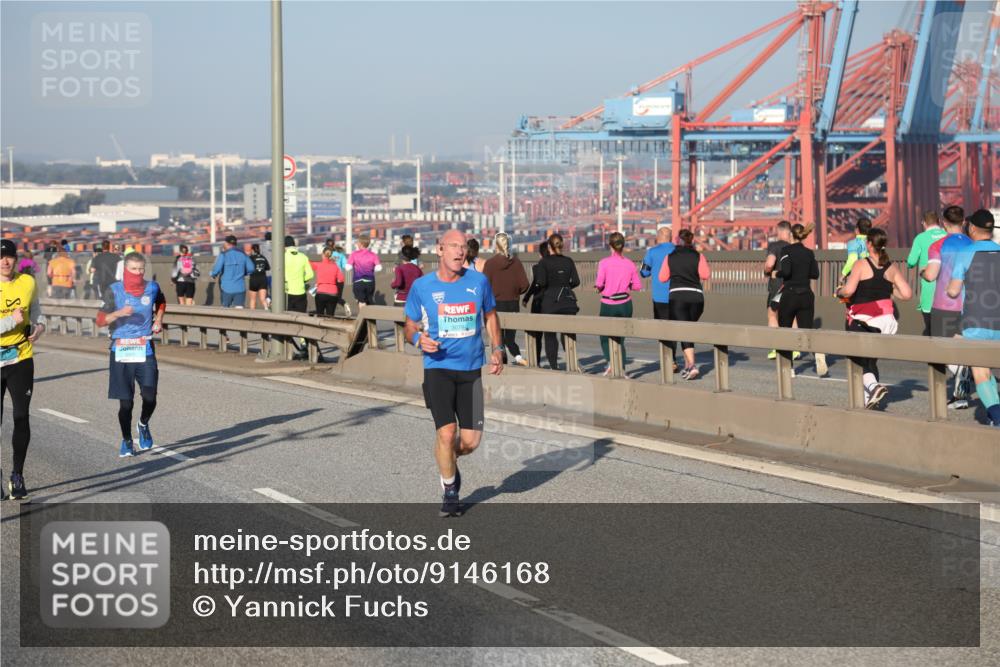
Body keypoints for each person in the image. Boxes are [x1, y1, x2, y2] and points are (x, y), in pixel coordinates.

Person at [402, 229, 504, 517]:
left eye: (463, 247)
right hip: (438, 369)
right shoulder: (422, 287)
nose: (460, 252)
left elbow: (491, 316)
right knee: (447, 433)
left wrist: (498, 348)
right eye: (453, 246)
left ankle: (447, 457)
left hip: (471, 370)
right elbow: (409, 325)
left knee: (470, 442)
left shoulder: (479, 281)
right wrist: (417, 339)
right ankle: (450, 491)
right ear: (439, 250)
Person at [96, 252, 166, 457]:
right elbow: (100, 320)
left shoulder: (152, 287)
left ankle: (143, 424)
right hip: (121, 350)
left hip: (144, 348)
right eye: (134, 269)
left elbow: (161, 302)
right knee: (126, 403)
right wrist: (118, 313)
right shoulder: (114, 290)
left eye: (141, 269)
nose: (138, 273)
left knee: (150, 397)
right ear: (126, 269)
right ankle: (127, 440)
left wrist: (159, 319)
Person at [836, 227, 913, 410]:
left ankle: (874, 387)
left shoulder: (861, 265)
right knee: (870, 361)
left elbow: (849, 291)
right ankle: (867, 399)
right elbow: (907, 294)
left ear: (869, 244)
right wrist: (888, 289)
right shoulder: (891, 267)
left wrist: (840, 291)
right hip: (887, 322)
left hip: (866, 319)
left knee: (858, 358)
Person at [945, 209, 1000, 427]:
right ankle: (993, 412)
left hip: (975, 320)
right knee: (988, 369)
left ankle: (996, 416)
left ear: (973, 228)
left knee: (980, 371)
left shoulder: (966, 253)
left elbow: (953, 291)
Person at [0, 239, 45, 500]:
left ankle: (17, 475)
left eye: (9, 257)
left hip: (20, 357)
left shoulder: (28, 282)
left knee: (20, 416)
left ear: (16, 259)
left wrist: (39, 328)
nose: (5, 261)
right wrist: (11, 320)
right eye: (1, 257)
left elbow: (38, 312)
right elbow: (13, 319)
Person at [923, 205, 973, 408]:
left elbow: (931, 275)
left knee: (940, 349)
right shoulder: (973, 244)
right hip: (970, 304)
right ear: (963, 222)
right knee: (960, 345)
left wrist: (923, 273)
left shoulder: (938, 246)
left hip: (944, 304)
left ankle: (958, 372)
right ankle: (960, 398)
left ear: (944, 223)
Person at [659, 229, 710, 380]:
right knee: (688, 329)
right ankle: (688, 366)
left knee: (684, 330)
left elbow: (662, 277)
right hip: (697, 298)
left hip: (678, 297)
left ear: (677, 241)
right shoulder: (698, 256)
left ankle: (692, 365)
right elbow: (705, 275)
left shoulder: (670, 257)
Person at [596, 232, 642, 376]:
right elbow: (637, 286)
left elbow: (599, 284)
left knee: (604, 336)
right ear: (623, 246)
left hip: (608, 304)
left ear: (610, 245)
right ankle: (621, 368)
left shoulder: (604, 263)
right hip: (625, 304)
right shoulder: (629, 264)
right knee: (620, 339)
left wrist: (600, 288)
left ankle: (610, 362)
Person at [776, 224, 820, 367]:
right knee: (807, 331)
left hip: (790, 295)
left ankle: (789, 368)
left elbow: (787, 272)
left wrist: (777, 273)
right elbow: (815, 274)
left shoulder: (785, 250)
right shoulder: (809, 252)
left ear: (791, 236)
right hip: (806, 295)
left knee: (785, 332)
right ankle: (818, 353)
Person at [483, 232, 530, 366]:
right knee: (510, 337)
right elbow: (525, 284)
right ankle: (518, 356)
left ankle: (502, 361)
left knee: (498, 337)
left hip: (496, 304)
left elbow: (484, 286)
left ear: (495, 245)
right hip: (513, 304)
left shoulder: (490, 264)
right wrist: (515, 292)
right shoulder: (516, 262)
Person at [535, 233, 580, 370]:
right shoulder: (569, 261)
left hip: (550, 303)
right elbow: (576, 281)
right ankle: (572, 363)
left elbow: (541, 282)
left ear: (549, 246)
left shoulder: (544, 263)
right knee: (569, 334)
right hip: (568, 302)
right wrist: (565, 287)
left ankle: (554, 366)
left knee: (550, 336)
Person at [640, 226, 677, 372]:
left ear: (658, 237)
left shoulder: (652, 252)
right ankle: (677, 359)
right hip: (676, 296)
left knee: (662, 329)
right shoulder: (677, 251)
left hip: (660, 298)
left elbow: (644, 272)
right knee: (675, 329)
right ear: (671, 237)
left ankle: (668, 359)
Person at [907, 211, 947, 336]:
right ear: (939, 222)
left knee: (930, 331)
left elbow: (911, 262)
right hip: (948, 293)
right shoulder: (947, 235)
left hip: (929, 291)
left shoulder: (920, 238)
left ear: (923, 223)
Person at [763, 221, 794, 361]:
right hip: (793, 286)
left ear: (780, 231)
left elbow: (769, 264)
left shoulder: (775, 246)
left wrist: (766, 272)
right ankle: (794, 349)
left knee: (772, 314)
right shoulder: (794, 247)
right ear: (789, 232)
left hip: (778, 286)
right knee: (792, 315)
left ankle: (775, 348)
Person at [521, 241, 550, 364]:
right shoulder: (553, 265)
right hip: (550, 302)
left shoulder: (538, 267)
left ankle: (536, 360)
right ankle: (552, 361)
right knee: (550, 335)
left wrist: (526, 297)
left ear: (540, 254)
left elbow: (534, 284)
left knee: (537, 335)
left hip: (538, 302)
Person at [210, 235, 254, 308]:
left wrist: (212, 274)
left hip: (227, 288)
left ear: (227, 243)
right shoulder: (243, 254)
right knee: (239, 309)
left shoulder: (223, 255)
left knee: (226, 309)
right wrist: (244, 273)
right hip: (240, 287)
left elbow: (217, 270)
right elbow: (251, 268)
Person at [346, 236, 381, 307]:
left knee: (361, 301)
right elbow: (379, 267)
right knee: (369, 299)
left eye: (357, 242)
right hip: (370, 281)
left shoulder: (354, 254)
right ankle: (371, 317)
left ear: (360, 244)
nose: (357, 244)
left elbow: (348, 267)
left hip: (358, 281)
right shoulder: (373, 255)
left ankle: (364, 317)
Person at [311, 246, 345, 316]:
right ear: (331, 256)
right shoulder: (335, 266)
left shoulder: (318, 265)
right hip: (333, 293)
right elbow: (341, 279)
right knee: (330, 316)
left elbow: (309, 263)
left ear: (323, 254)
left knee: (320, 315)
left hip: (321, 292)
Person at [248, 243, 270, 310]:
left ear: (252, 250)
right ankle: (267, 311)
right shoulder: (263, 257)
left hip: (254, 279)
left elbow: (248, 268)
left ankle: (252, 316)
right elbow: (268, 268)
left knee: (253, 299)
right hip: (263, 279)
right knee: (263, 299)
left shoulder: (250, 258)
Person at [331, 244, 350, 316]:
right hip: (340, 277)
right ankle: (344, 303)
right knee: (338, 297)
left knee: (330, 296)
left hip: (331, 277)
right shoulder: (342, 255)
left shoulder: (330, 254)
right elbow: (345, 266)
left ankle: (331, 313)